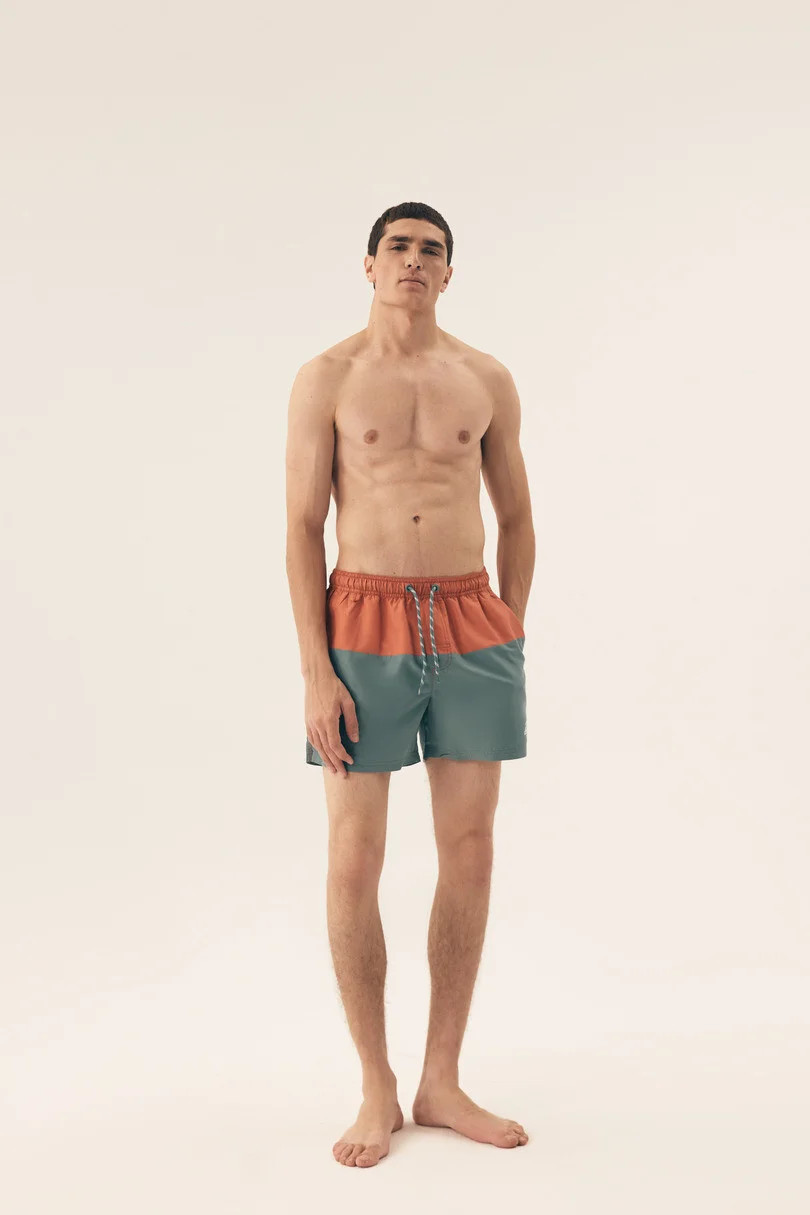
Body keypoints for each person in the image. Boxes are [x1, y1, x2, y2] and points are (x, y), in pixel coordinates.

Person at [285, 201, 534, 1168]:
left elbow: (517, 514)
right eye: (399, 246)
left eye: (432, 250)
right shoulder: (328, 377)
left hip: (472, 620)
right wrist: (317, 669)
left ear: (449, 273)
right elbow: (302, 525)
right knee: (355, 856)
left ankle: (440, 1077)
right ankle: (375, 1083)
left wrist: (510, 626)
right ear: (370, 264)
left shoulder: (485, 377)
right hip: (364, 621)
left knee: (469, 849)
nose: (415, 261)